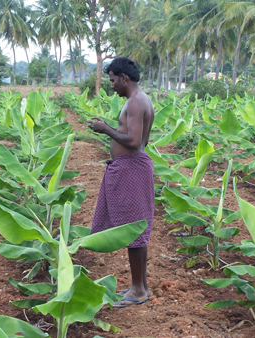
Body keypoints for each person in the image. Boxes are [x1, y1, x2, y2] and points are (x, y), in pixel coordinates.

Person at [87, 57, 155, 308]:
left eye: (113, 80)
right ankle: (141, 286)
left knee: (135, 231)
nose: (112, 85)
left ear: (124, 79)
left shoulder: (136, 102)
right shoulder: (140, 100)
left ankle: (138, 290)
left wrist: (104, 129)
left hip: (133, 168)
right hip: (131, 167)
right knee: (134, 229)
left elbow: (135, 142)